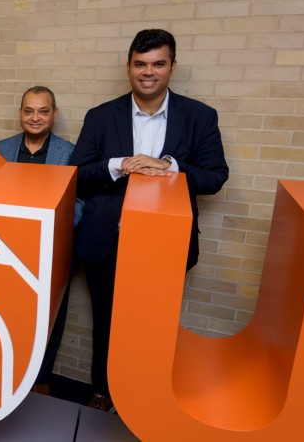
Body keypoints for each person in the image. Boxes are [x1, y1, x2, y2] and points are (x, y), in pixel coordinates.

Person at [71, 29, 229, 411]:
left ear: (172, 66)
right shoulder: (100, 116)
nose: (148, 72)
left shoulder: (200, 117)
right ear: (128, 67)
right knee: (106, 322)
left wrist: (170, 166)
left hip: (165, 246)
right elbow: (76, 174)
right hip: (106, 242)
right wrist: (118, 165)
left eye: (158, 64)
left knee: (152, 327)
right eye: (140, 64)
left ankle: (145, 401)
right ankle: (102, 392)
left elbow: (215, 177)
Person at [0, 86, 83, 395]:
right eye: (29, 111)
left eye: (43, 111)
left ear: (54, 114)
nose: (35, 118)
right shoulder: (0, 149)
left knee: (50, 318)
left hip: (52, 252)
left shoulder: (70, 154)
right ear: (20, 113)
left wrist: (52, 229)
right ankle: (6, 373)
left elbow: (79, 202)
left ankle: (41, 379)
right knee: (8, 313)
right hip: (8, 251)